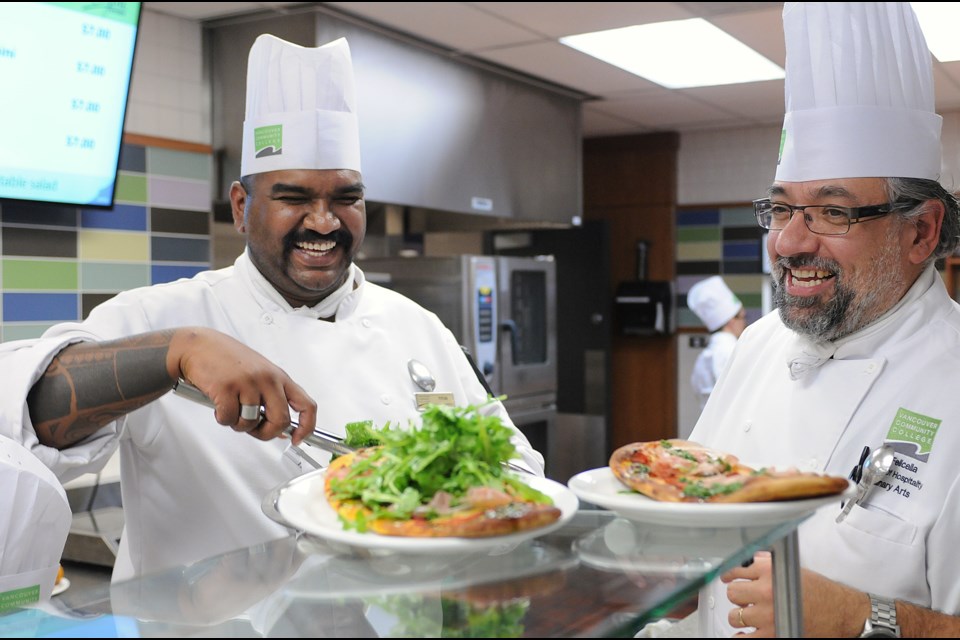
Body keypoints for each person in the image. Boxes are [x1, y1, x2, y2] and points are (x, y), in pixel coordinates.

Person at [0, 34, 544, 583]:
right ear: (242, 207)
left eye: (345, 199)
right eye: (294, 198)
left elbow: (518, 474)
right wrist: (179, 351)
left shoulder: (417, 325)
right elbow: (24, 420)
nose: (325, 222)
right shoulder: (161, 316)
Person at [689, 2, 960, 637]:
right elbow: (693, 519)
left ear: (921, 231)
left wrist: (860, 617)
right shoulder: (758, 344)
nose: (788, 243)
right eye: (781, 210)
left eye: (832, 213)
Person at [686, 276, 746, 413]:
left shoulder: (704, 356)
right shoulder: (731, 350)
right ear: (731, 320)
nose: (745, 323)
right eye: (743, 317)